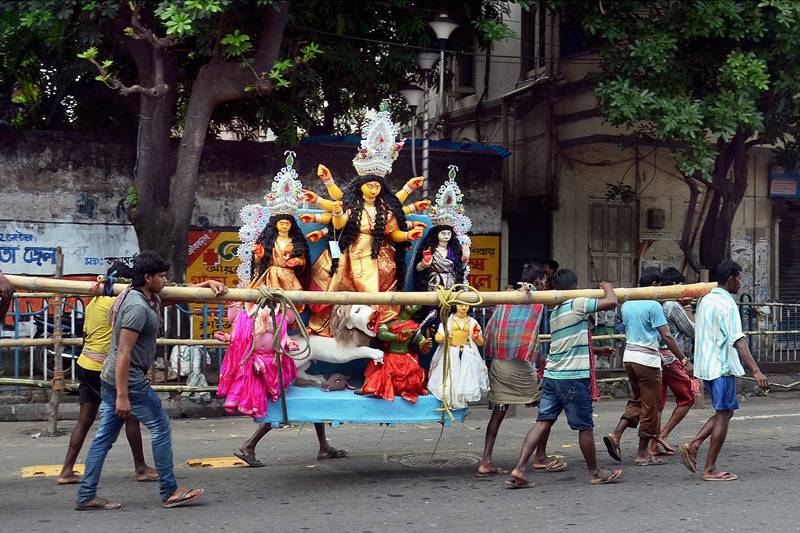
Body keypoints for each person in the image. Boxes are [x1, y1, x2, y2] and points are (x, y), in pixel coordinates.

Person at [75, 251, 227, 511]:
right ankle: (169, 491)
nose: (165, 280)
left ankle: (86, 495)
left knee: (104, 438)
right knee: (161, 427)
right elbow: (124, 352)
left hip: (113, 376)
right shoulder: (136, 307)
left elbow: (174, 295)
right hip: (129, 380)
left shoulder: (142, 297)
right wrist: (123, 395)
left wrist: (205, 285)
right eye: (162, 276)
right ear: (148, 277)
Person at [507, 270, 622, 488]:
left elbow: (567, 342)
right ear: (576, 287)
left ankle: (519, 469)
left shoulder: (556, 310)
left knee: (542, 422)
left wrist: (596, 352)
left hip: (553, 375)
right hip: (572, 378)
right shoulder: (576, 304)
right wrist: (606, 285)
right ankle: (595, 472)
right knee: (584, 427)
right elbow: (612, 302)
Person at [57, 263, 157, 485]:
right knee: (131, 417)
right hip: (102, 367)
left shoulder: (95, 300)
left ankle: (66, 470)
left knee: (85, 419)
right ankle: (141, 467)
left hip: (85, 363)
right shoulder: (121, 302)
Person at [679, 260, 769, 481]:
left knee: (724, 412)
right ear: (731, 278)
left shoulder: (706, 300)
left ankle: (694, 444)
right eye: (739, 278)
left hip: (706, 365)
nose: (740, 283)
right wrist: (756, 371)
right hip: (721, 366)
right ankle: (709, 467)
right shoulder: (726, 304)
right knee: (723, 415)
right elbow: (738, 340)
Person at [477, 263, 563, 478]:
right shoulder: (535, 300)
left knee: (498, 413)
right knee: (546, 410)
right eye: (543, 281)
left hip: (499, 363)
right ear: (538, 281)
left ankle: (486, 460)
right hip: (521, 366)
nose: (545, 285)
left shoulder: (506, 297)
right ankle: (540, 457)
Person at [603, 268, 687, 466]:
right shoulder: (653, 305)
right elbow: (666, 335)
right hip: (647, 360)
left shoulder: (627, 304)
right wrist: (683, 359)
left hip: (630, 357)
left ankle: (616, 433)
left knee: (638, 400)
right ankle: (643, 454)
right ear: (656, 285)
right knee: (651, 406)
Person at [650, 267, 696, 456]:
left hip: (653, 359)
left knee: (658, 403)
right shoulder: (671, 306)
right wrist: (687, 307)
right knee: (687, 397)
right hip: (671, 359)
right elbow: (693, 331)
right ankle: (663, 434)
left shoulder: (651, 304)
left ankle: (652, 445)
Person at [428, 302, 488, 409]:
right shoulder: (448, 321)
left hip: (467, 353)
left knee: (465, 378)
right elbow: (438, 337)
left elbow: (480, 342)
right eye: (461, 305)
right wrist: (444, 338)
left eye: (466, 305)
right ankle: (449, 400)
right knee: (450, 378)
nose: (464, 307)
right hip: (451, 351)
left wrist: (476, 337)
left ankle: (460, 401)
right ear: (455, 306)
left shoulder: (473, 322)